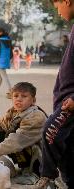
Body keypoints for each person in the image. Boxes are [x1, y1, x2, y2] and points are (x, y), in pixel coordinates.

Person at [33, 0, 74, 188]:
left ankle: (47, 176)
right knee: (68, 145)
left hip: (70, 101)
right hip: (64, 99)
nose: (58, 12)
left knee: (50, 131)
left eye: (57, 6)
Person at [0, 82, 47, 183]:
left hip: (41, 155)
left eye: (24, 96)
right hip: (21, 144)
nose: (19, 99)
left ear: (33, 101)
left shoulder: (36, 116)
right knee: (1, 134)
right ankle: (24, 167)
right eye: (16, 96)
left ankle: (34, 173)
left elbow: (17, 141)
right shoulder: (14, 111)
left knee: (16, 141)